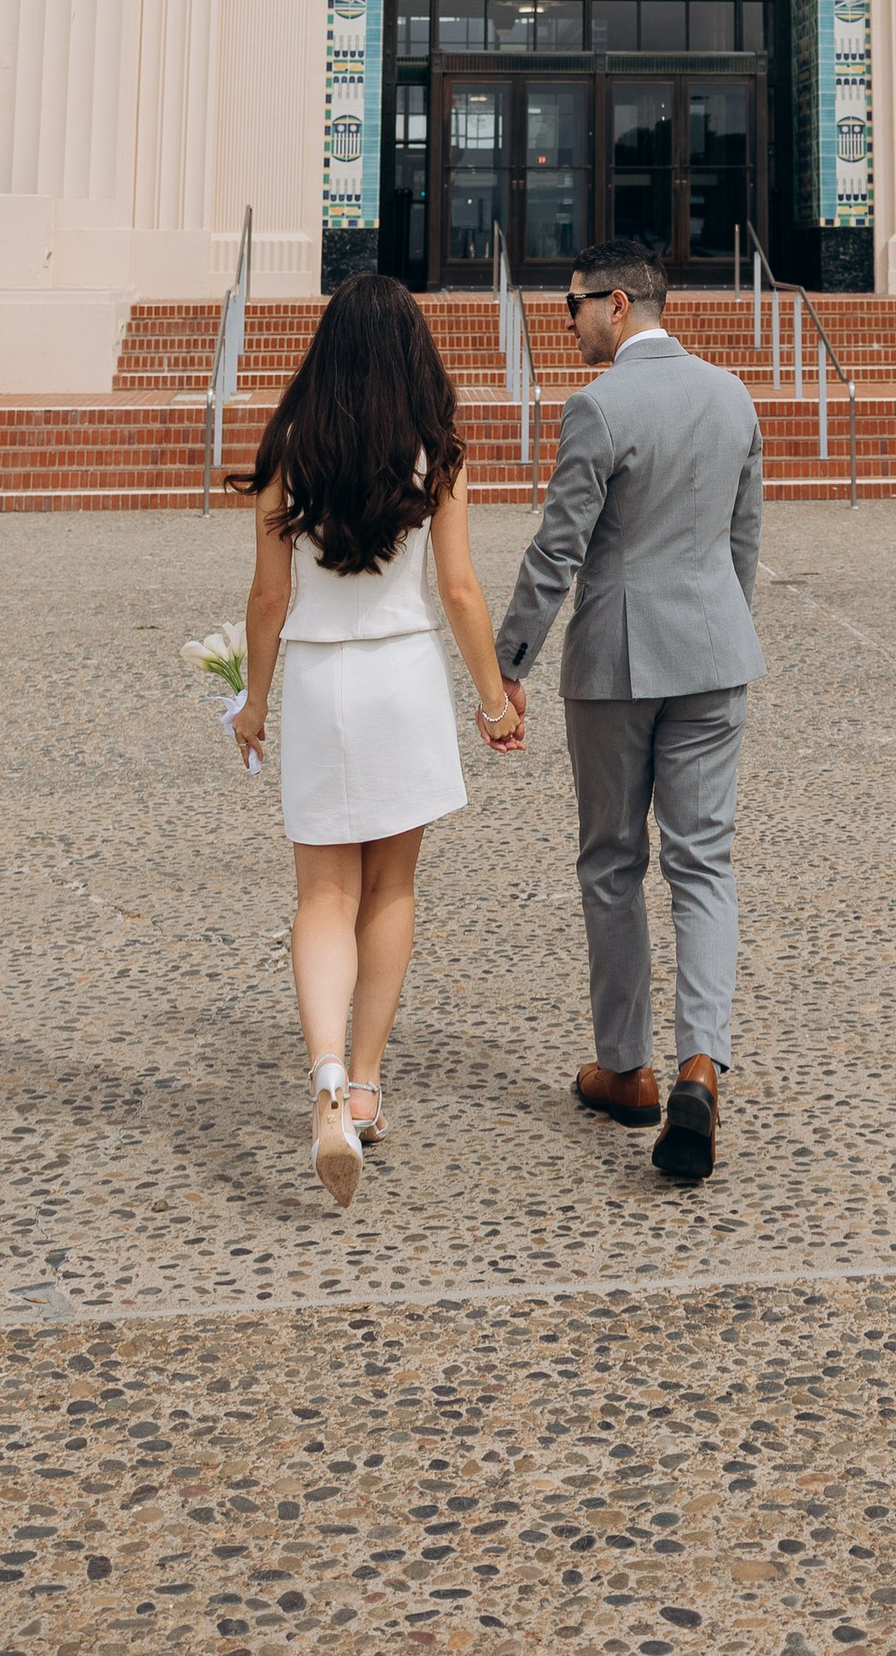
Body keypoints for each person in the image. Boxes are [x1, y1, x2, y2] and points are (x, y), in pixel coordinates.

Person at [229, 271, 523, 1208]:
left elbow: (269, 596)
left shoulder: (290, 445)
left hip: (320, 678)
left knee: (322, 893)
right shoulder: (436, 447)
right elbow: (460, 588)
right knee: (390, 888)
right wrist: (494, 703)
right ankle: (364, 1084)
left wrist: (253, 701)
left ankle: (323, 1083)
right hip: (402, 675)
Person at [491, 235, 766, 1187]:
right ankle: (701, 1064)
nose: (566, 323)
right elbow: (743, 539)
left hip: (615, 663)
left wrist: (508, 663)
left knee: (612, 860)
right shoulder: (731, 395)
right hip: (713, 655)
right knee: (705, 862)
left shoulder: (600, 405)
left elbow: (557, 548)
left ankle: (626, 1067)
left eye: (571, 305)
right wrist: (720, 632)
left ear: (615, 303)